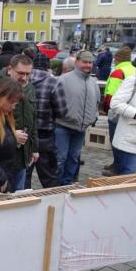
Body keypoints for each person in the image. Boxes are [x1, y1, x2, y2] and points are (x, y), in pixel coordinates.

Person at [0, 54, 38, 191]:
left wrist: (34, 148)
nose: (24, 78)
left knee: (18, 199)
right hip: (1, 158)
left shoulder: (29, 87)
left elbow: (33, 119)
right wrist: (12, 135)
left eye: (28, 74)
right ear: (9, 70)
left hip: (22, 156)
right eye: (20, 73)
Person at [54, 50, 101, 184]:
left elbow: (96, 103)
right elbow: (53, 101)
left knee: (74, 158)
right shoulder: (63, 79)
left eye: (90, 62)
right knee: (60, 158)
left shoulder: (92, 83)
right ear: (77, 62)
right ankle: (55, 187)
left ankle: (68, 184)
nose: (88, 65)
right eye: (85, 62)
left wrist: (94, 117)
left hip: (81, 129)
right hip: (63, 126)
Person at [25, 64, 68, 188]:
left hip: (23, 134)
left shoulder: (21, 79)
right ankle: (54, 202)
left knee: (24, 174)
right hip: (45, 136)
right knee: (49, 176)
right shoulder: (54, 82)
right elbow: (62, 112)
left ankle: (24, 201)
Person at [102, 46, 135, 176]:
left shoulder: (118, 71)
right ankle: (119, 164)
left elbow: (111, 94)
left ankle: (118, 166)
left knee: (115, 140)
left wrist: (106, 109)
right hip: (130, 110)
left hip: (117, 111)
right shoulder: (134, 70)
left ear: (117, 58)